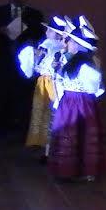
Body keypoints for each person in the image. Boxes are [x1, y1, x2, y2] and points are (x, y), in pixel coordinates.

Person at [49, 17, 106, 182]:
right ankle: (68, 169)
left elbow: (94, 87)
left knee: (81, 133)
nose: (67, 43)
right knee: (69, 133)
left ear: (78, 45)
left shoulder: (86, 66)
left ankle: (83, 169)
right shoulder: (70, 62)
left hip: (80, 104)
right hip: (69, 103)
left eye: (71, 41)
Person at [0, 0, 45, 137]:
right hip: (4, 61)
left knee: (24, 98)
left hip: (25, 63)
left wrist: (25, 28)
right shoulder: (0, 12)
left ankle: (23, 132)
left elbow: (40, 35)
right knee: (2, 96)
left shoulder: (34, 14)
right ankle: (1, 132)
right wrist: (1, 31)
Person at [18, 16, 67, 161]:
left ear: (58, 34)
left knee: (52, 115)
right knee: (43, 113)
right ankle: (45, 146)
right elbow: (37, 65)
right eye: (47, 30)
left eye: (50, 31)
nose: (47, 32)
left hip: (53, 84)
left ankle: (51, 149)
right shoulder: (47, 46)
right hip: (43, 83)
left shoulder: (57, 48)